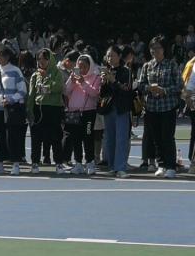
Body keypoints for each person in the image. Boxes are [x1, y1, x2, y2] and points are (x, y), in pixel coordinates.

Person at [136, 36, 182, 178]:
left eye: (158, 48)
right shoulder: (147, 66)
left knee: (167, 137)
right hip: (151, 107)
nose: (154, 51)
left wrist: (164, 90)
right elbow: (140, 85)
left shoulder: (171, 64)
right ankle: (161, 165)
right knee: (156, 138)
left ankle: (171, 166)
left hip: (168, 107)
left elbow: (179, 85)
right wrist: (149, 88)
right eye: (152, 48)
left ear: (164, 49)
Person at [0, 46, 28, 176]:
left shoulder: (15, 71)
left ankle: (16, 164)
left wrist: (11, 99)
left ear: (7, 56)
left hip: (11, 109)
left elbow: (22, 91)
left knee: (12, 136)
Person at [26, 48, 66, 175]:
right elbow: (31, 94)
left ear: (50, 60)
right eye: (39, 59)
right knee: (36, 137)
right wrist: (29, 110)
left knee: (55, 136)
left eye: (45, 59)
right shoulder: (35, 75)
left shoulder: (57, 73)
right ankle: (35, 162)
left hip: (54, 108)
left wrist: (47, 80)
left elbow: (59, 87)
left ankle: (59, 163)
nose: (41, 61)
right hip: (38, 108)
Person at [64, 54, 101, 175]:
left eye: (84, 67)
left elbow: (95, 93)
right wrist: (72, 81)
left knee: (88, 137)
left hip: (88, 112)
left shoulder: (96, 77)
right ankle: (78, 163)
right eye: (79, 67)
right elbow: (66, 91)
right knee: (76, 138)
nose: (82, 69)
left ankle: (90, 163)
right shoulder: (74, 76)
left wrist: (83, 82)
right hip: (74, 112)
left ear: (90, 66)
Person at [100, 44, 134, 178]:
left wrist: (113, 81)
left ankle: (120, 167)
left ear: (119, 56)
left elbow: (127, 90)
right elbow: (103, 93)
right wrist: (103, 83)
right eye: (108, 56)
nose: (109, 58)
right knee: (110, 139)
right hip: (109, 108)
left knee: (121, 138)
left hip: (121, 108)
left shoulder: (126, 71)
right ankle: (112, 166)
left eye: (112, 55)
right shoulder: (107, 71)